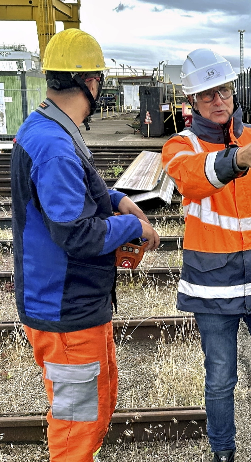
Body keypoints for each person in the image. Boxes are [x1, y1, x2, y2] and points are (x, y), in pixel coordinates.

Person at [11, 29, 160, 462]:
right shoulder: (55, 144)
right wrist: (131, 229)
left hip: (77, 306)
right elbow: (77, 233)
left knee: (95, 408)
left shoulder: (51, 127)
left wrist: (119, 200)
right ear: (91, 83)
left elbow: (79, 196)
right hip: (65, 311)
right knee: (77, 427)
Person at [161, 48, 251, 462]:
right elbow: (193, 178)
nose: (219, 100)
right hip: (212, 287)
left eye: (223, 89)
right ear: (192, 102)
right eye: (207, 94)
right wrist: (236, 160)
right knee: (221, 379)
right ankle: (223, 452)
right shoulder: (180, 145)